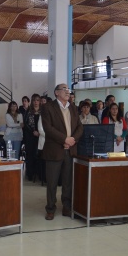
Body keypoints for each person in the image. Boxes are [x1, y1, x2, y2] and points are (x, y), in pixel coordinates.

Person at [41, 83, 83, 220]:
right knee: (52, 182)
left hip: (70, 150)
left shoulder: (73, 108)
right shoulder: (48, 107)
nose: (67, 91)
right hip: (55, 150)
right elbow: (48, 128)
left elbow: (79, 127)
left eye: (68, 89)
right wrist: (65, 139)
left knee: (68, 181)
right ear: (56, 93)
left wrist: (72, 140)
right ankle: (50, 208)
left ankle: (67, 207)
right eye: (64, 89)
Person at [24, 94, 42, 181]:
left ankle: (39, 174)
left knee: (40, 156)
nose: (36, 102)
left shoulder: (43, 111)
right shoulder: (28, 111)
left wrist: (40, 132)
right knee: (30, 155)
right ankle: (30, 174)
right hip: (30, 137)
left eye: (37, 100)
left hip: (41, 136)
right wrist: (33, 131)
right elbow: (26, 124)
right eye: (34, 100)